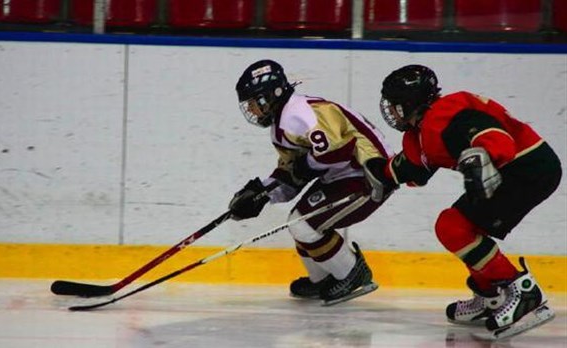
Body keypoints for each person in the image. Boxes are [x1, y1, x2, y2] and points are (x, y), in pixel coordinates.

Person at [364, 64, 562, 339]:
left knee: (453, 227)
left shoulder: (444, 115)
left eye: (395, 104)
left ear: (410, 102)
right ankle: (491, 296)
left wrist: (483, 156)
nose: (391, 111)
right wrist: (381, 174)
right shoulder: (424, 129)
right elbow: (415, 168)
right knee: (455, 227)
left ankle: (524, 292)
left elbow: (496, 138)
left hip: (526, 169)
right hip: (519, 169)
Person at [228, 59, 395, 306]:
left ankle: (352, 273)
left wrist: (305, 166)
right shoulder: (281, 126)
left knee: (304, 224)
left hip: (370, 173)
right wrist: (261, 194)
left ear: (272, 95)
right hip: (344, 174)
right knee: (297, 221)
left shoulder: (299, 113)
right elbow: (292, 175)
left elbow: (338, 152)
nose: (252, 111)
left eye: (254, 103)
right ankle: (322, 279)